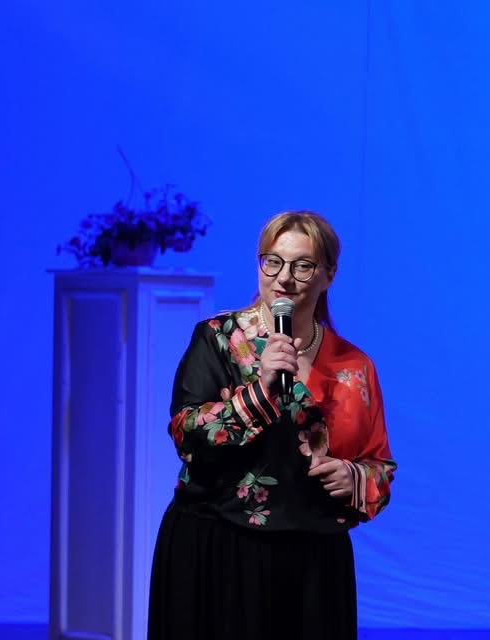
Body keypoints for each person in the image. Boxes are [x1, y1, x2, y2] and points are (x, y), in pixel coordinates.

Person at [148, 210, 396, 640]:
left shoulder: (354, 366)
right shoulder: (219, 339)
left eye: (303, 266)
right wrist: (261, 389)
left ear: (329, 275)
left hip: (314, 559)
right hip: (219, 548)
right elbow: (186, 434)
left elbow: (379, 466)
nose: (284, 278)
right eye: (273, 262)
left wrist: (352, 477)